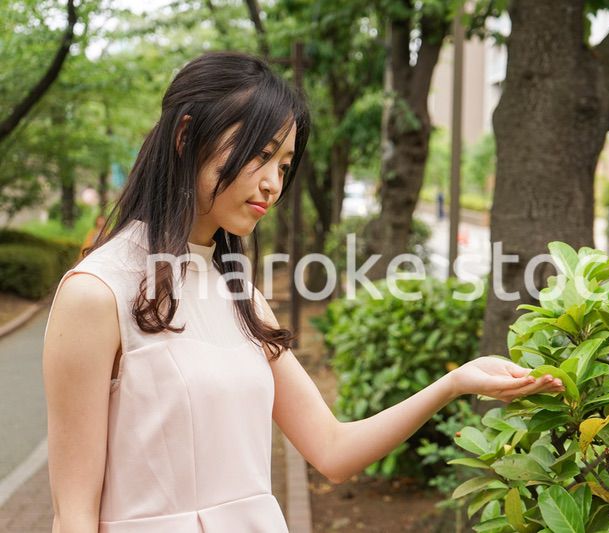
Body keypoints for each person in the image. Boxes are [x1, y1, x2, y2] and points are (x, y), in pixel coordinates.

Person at [42, 51, 564, 533]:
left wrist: (455, 383)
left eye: (285, 166)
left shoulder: (241, 294)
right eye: (261, 155)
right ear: (186, 138)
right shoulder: (97, 293)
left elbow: (332, 450)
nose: (273, 183)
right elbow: (75, 511)